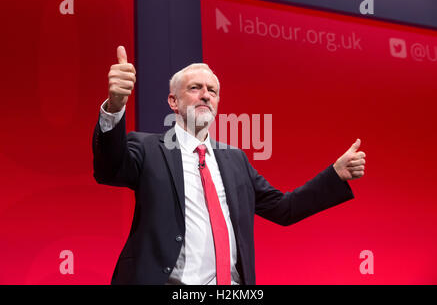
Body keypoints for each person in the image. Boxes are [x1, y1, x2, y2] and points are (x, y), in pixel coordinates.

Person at [93, 46, 366, 285]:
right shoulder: (148, 148)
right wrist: (115, 106)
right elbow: (109, 169)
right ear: (173, 101)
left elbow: (285, 209)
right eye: (195, 88)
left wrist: (335, 175)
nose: (205, 95)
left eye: (212, 91)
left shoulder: (236, 160)